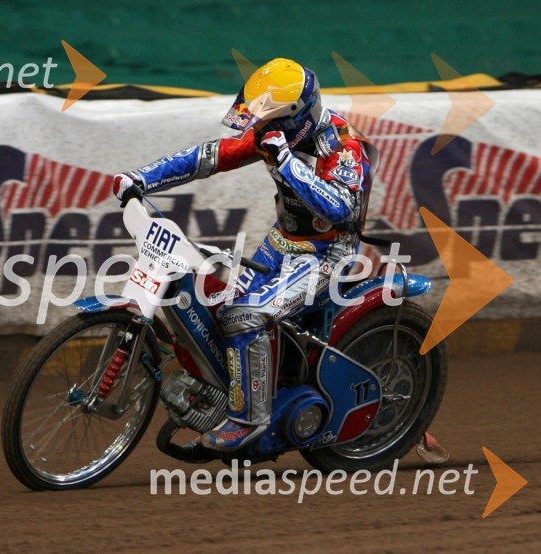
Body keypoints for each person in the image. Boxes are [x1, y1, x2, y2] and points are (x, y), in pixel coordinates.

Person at [112, 58, 377, 452]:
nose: (261, 129)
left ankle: (249, 420)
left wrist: (286, 163)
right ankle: (229, 394)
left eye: (271, 121)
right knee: (222, 302)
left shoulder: (343, 148)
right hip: (281, 243)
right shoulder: (277, 134)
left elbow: (340, 209)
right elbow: (212, 156)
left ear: (296, 117)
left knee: (245, 315)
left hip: (327, 258)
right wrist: (142, 177)